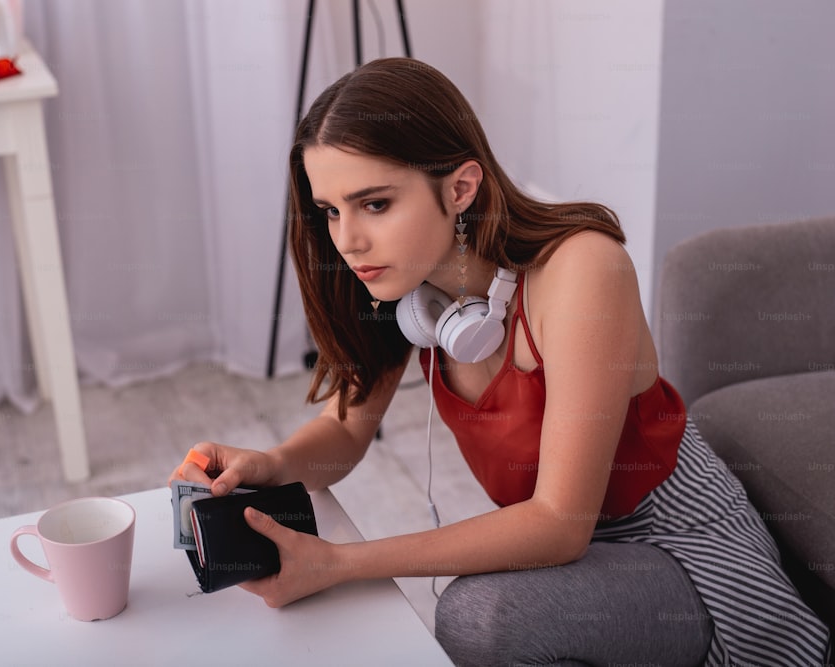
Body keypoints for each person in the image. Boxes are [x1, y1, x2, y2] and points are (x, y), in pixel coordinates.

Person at [170, 57, 830, 666]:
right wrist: (276, 462)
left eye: (375, 204)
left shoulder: (580, 271)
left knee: (480, 614)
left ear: (460, 188)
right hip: (586, 564)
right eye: (330, 211)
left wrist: (341, 562)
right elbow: (345, 432)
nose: (347, 239)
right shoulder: (410, 293)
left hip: (686, 555)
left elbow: (559, 524)